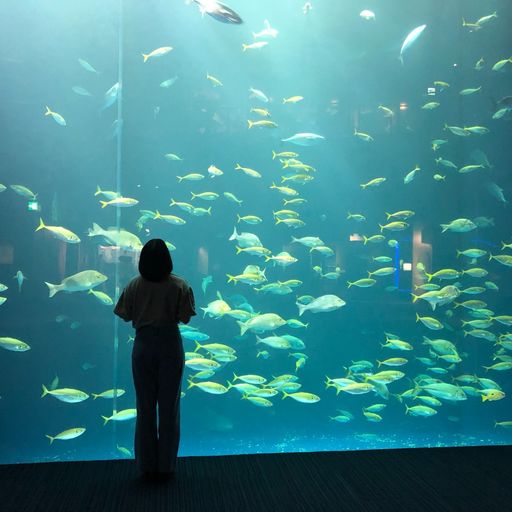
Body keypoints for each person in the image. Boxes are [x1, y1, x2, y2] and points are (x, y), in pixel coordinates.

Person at [114, 239, 196, 483]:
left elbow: (124, 314)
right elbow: (185, 318)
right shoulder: (179, 285)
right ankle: (166, 466)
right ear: (168, 261)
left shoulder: (134, 285)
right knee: (169, 408)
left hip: (142, 345)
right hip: (170, 344)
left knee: (145, 406)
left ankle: (146, 465)